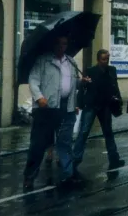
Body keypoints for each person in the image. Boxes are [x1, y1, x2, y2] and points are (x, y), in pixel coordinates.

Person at [23, 35, 88, 190]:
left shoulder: (71, 62)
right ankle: (29, 176)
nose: (61, 47)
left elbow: (72, 84)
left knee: (65, 142)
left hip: (67, 107)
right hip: (47, 108)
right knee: (38, 144)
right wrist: (39, 98)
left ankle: (69, 174)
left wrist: (81, 82)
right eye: (59, 44)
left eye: (64, 44)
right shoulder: (43, 61)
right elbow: (33, 80)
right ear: (53, 45)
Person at [72, 49, 125, 173]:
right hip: (91, 105)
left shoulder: (111, 70)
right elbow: (82, 88)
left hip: (105, 105)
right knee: (84, 132)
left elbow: (114, 86)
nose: (105, 62)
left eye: (107, 59)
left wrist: (118, 99)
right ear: (98, 60)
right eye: (103, 59)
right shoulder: (91, 71)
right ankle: (75, 160)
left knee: (108, 132)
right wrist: (80, 102)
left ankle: (114, 158)